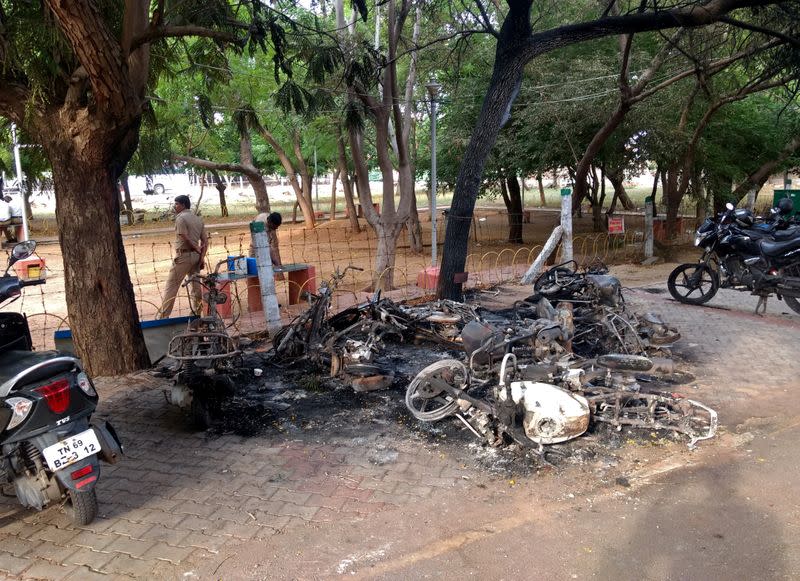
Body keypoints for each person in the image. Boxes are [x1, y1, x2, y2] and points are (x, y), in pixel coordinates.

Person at [158, 195, 208, 318]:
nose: (175, 206)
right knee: (196, 287)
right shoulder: (198, 219)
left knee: (171, 286)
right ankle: (196, 314)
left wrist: (195, 247)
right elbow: (205, 241)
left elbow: (183, 236)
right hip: (196, 257)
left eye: (176, 204)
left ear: (183, 205)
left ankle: (163, 317)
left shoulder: (180, 218)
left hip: (183, 256)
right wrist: (201, 257)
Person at [249, 211, 284, 279]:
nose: (276, 228)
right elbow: (267, 247)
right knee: (254, 262)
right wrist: (277, 263)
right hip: (256, 238)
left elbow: (271, 245)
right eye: (275, 226)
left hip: (265, 235)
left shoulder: (270, 219)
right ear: (270, 222)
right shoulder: (259, 225)